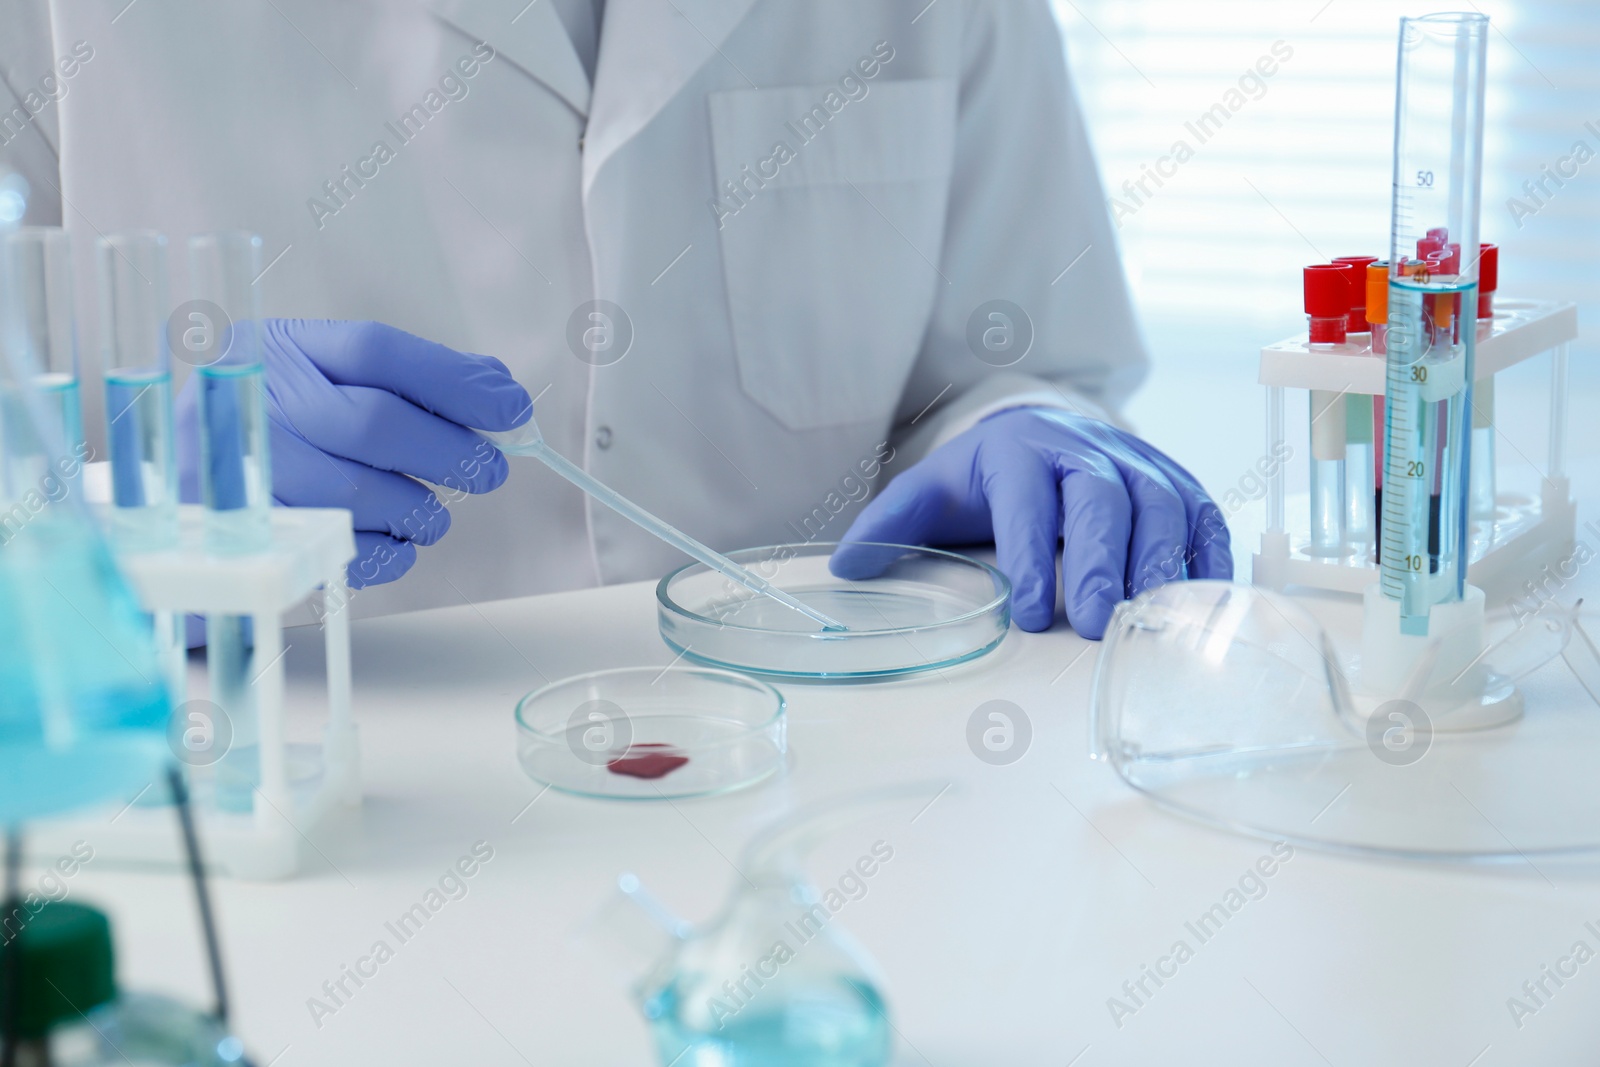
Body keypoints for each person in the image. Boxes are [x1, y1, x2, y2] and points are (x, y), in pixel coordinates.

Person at [0, 0, 1227, 639]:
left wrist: (1026, 427)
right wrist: (125, 470)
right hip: (305, 803)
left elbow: (1019, 365)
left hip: (820, 791)